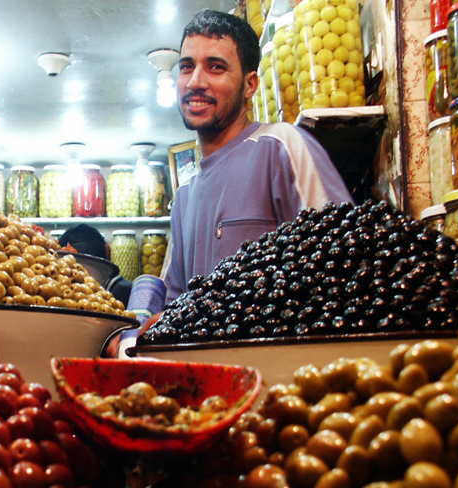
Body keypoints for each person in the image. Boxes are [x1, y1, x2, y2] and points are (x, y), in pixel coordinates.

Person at [108, 9, 353, 355]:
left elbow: (342, 262)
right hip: (205, 391)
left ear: (250, 84)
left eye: (216, 67)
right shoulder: (185, 194)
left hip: (279, 378)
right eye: (187, 66)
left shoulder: (281, 147)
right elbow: (175, 305)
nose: (195, 81)